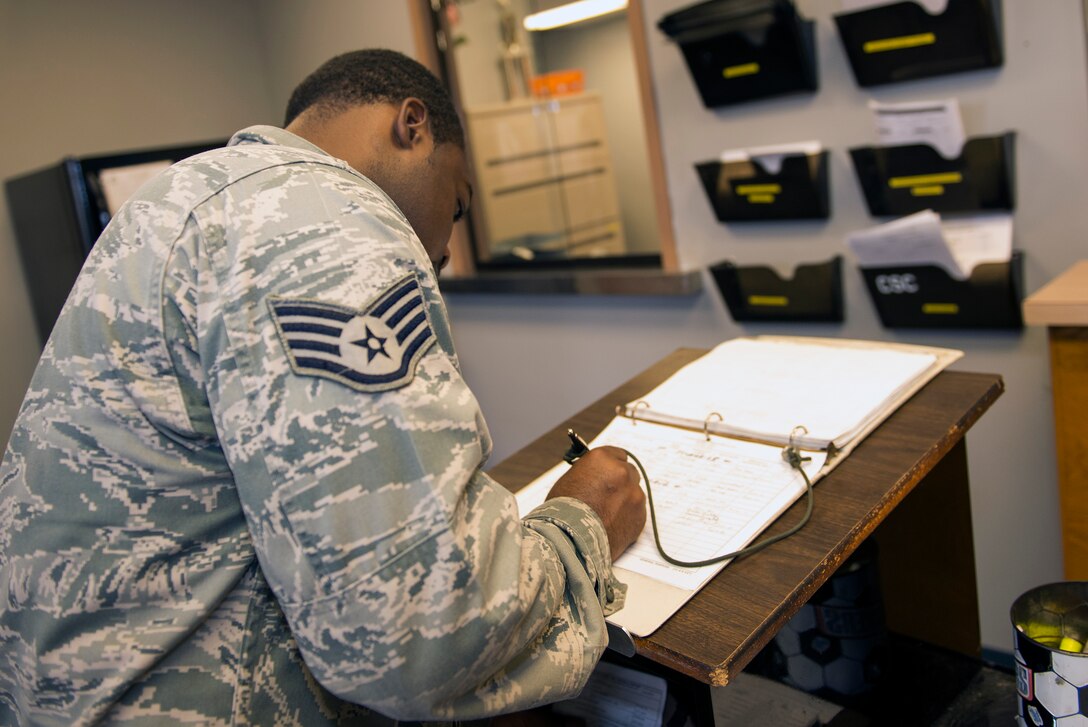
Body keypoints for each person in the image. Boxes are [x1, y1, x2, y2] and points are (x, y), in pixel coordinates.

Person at [0, 49, 647, 725]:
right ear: (412, 126)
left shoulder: (179, 197)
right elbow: (416, 634)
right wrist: (583, 526)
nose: (447, 249)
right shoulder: (323, 216)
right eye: (456, 205)